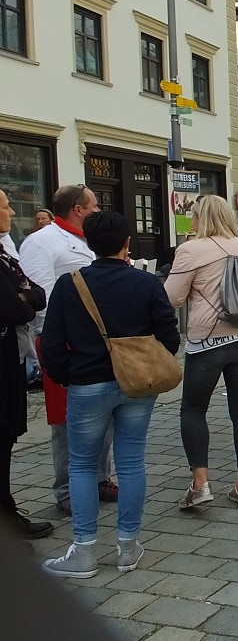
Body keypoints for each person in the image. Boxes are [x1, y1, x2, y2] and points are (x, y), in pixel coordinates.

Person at [41, 211, 180, 578]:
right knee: (132, 461)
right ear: (127, 243)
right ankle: (128, 546)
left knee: (83, 465)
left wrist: (68, 375)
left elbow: (52, 343)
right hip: (137, 383)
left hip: (86, 383)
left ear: (87, 242)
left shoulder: (69, 285)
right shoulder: (146, 283)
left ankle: (84, 550)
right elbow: (170, 335)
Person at [164, 196, 238, 510]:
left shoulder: (189, 250)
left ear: (200, 219)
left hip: (208, 340)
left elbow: (171, 298)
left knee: (193, 410)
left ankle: (200, 484)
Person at [19, 185, 117, 516]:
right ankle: (66, 488)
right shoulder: (42, 241)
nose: (97, 210)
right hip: (63, 339)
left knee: (106, 410)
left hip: (99, 338)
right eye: (93, 206)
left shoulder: (92, 240)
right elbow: (39, 295)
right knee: (66, 419)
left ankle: (101, 477)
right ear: (78, 209)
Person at [0, 188, 54, 540]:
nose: (10, 212)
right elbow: (18, 308)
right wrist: (22, 298)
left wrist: (23, 296)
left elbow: (35, 293)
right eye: (5, 207)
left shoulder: (6, 255)